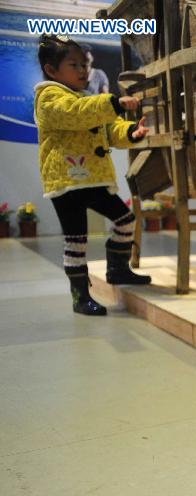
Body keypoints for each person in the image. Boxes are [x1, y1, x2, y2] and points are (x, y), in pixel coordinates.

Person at [34, 34, 151, 316]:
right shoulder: (49, 97)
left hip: (93, 178)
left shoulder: (87, 98)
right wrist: (112, 103)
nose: (83, 70)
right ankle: (80, 295)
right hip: (66, 181)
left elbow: (109, 130)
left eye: (84, 64)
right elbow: (74, 114)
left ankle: (117, 269)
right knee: (76, 240)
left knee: (125, 221)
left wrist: (129, 133)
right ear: (52, 71)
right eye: (74, 65)